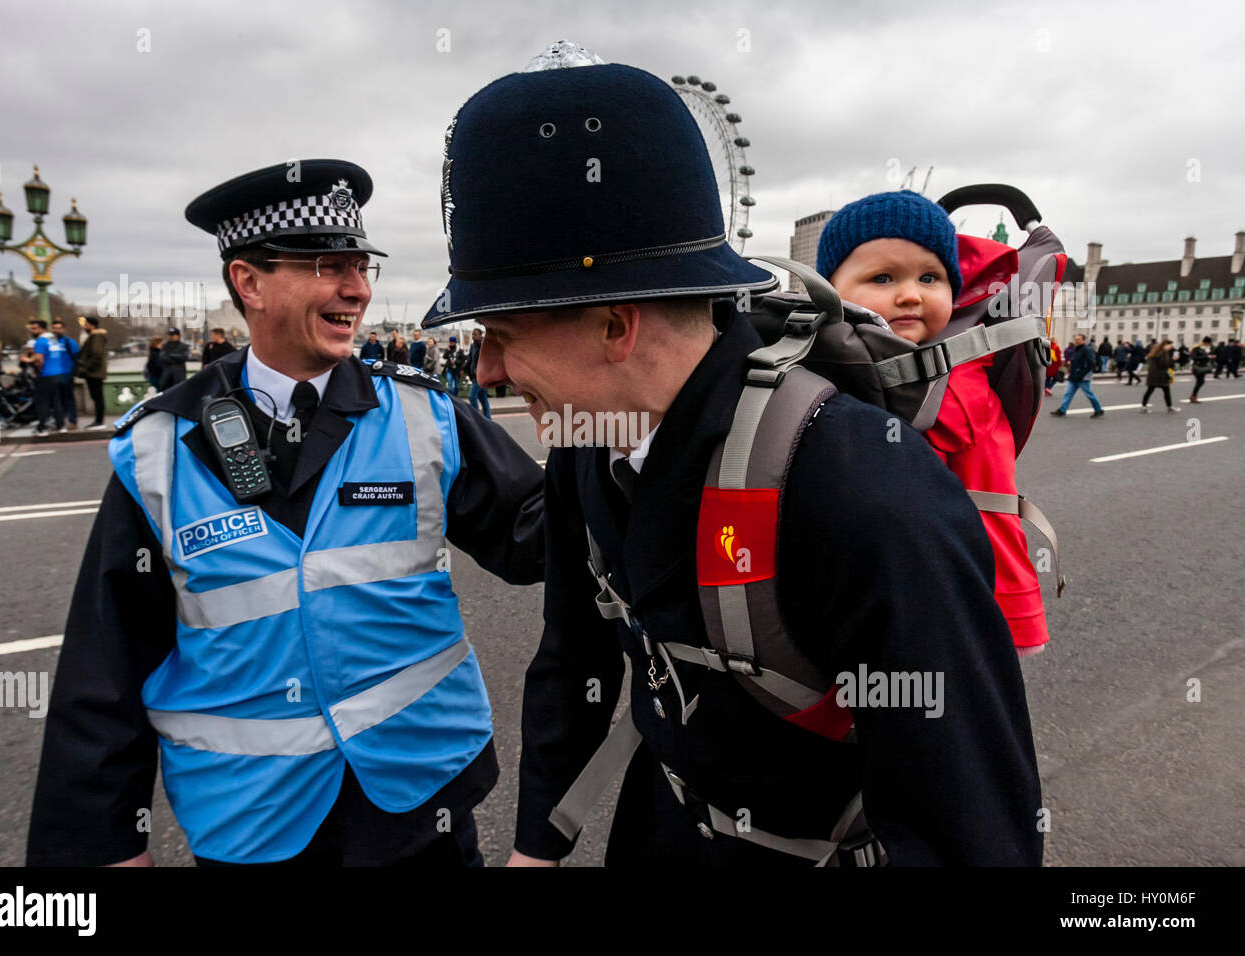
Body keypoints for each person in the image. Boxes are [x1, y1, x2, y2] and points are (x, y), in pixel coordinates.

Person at [423, 60, 1041, 867]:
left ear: (617, 326)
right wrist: (538, 847)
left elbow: (968, 828)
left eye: (500, 335)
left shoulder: (865, 490)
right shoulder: (586, 439)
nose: (488, 374)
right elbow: (572, 660)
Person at [27, 159, 546, 868]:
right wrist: (104, 844)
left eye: (362, 267)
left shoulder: (428, 413)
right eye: (330, 266)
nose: (357, 289)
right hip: (255, 821)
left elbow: (536, 538)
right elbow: (106, 662)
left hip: (419, 801)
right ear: (249, 282)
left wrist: (616, 431)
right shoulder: (156, 449)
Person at [818, 190, 1049, 655]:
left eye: (930, 277)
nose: (909, 294)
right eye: (883, 277)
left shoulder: (957, 381)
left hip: (971, 602)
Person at [32, 317, 78, 435]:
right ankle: (61, 425)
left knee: (44, 402)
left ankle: (42, 428)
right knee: (57, 401)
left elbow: (39, 360)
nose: (32, 331)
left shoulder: (41, 341)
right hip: (58, 374)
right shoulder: (53, 341)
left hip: (48, 375)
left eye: (34, 328)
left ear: (41, 329)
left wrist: (33, 366)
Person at [1050, 333, 1104, 418]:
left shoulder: (1087, 350)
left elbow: (1091, 363)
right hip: (1074, 376)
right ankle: (1062, 410)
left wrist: (1082, 374)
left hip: (1082, 378)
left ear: (1083, 340)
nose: (1076, 341)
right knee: (1068, 394)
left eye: (1078, 339)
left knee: (1089, 394)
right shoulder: (1077, 349)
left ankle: (1098, 410)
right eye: (1075, 339)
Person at [76, 316, 110, 429]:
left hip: (94, 373)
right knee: (96, 396)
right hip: (94, 372)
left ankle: (99, 421)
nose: (84, 326)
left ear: (91, 325)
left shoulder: (96, 336)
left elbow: (97, 354)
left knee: (97, 397)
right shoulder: (94, 335)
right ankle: (98, 420)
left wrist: (86, 369)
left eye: (86, 324)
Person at [1140, 338, 1178, 413]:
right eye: (1169, 345)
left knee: (1150, 390)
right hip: (1160, 375)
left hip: (1154, 374)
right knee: (1166, 391)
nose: (1170, 347)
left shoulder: (1156, 351)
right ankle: (1169, 407)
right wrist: (1173, 360)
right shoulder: (1162, 353)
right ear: (1165, 345)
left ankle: (1143, 407)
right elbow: (1164, 364)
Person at [466, 328, 490, 418]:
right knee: (483, 398)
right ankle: (488, 419)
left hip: (481, 375)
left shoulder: (484, 346)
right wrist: (466, 370)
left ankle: (477, 418)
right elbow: (470, 359)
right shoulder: (473, 346)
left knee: (471, 396)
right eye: (472, 334)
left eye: (475, 334)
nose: (473, 336)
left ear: (481, 335)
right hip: (474, 375)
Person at [1189, 336, 1213, 403]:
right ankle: (1193, 396)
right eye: (1208, 343)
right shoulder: (1196, 348)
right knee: (1200, 382)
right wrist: (1206, 356)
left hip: (1203, 367)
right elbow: (1194, 357)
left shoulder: (1206, 349)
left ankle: (1193, 396)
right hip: (1197, 367)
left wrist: (1209, 357)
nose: (1209, 345)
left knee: (1200, 382)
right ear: (1205, 342)